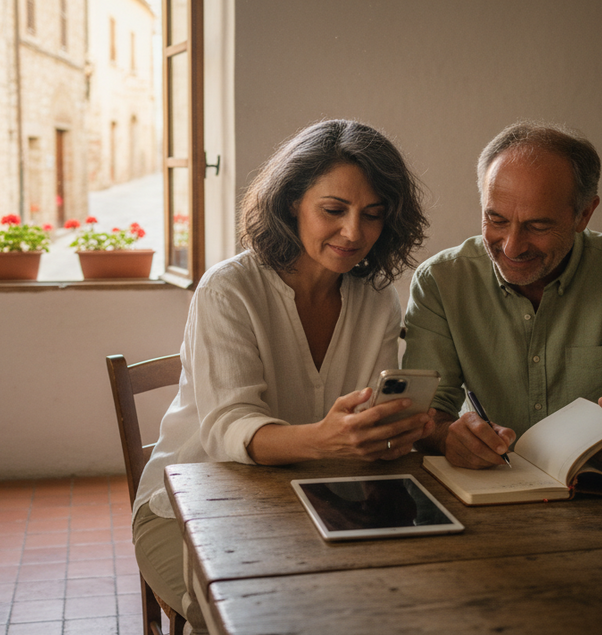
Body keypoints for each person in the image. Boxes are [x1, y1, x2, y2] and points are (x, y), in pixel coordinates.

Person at [132, 120, 432, 631]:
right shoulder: (228, 290)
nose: (354, 232)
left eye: (373, 215)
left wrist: (392, 430)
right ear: (292, 202)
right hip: (188, 505)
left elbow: (369, 419)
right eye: (333, 210)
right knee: (253, 617)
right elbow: (229, 427)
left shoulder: (377, 300)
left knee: (395, 599)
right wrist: (324, 441)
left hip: (316, 497)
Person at [403, 121, 602, 473]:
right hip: (488, 485)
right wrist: (448, 437)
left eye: (538, 226)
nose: (512, 246)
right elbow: (423, 413)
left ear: (584, 214)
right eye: (496, 219)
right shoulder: (440, 281)